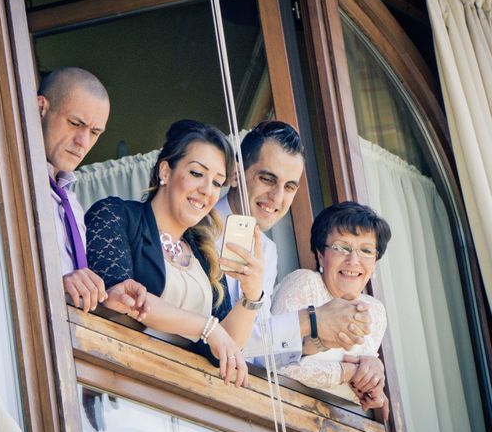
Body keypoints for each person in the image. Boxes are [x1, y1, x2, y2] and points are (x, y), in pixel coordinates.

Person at [85, 120, 265, 387]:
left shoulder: (205, 255)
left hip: (184, 397)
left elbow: (222, 348)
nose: (207, 190)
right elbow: (124, 298)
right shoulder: (117, 215)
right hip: (121, 382)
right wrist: (207, 327)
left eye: (217, 182)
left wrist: (252, 296)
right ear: (165, 171)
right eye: (196, 173)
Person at [215, 121, 374, 367]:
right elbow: (217, 338)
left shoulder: (268, 249)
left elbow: (256, 350)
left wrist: (324, 341)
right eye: (268, 179)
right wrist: (312, 319)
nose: (277, 197)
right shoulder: (197, 226)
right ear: (237, 174)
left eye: (289, 187)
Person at [39, 67, 147, 316]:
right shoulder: (12, 185)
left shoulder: (73, 206)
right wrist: (58, 285)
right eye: (75, 124)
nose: (83, 142)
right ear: (40, 108)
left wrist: (106, 297)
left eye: (95, 132)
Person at [272, 201, 391, 418]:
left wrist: (374, 383)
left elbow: (363, 393)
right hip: (287, 418)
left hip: (342, 427)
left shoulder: (375, 311)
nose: (353, 260)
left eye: (365, 251)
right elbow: (275, 364)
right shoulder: (305, 284)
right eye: (341, 247)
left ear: (375, 263)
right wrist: (347, 372)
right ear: (320, 254)